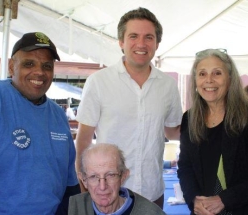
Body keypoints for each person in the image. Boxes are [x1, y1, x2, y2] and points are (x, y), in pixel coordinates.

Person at [0, 32, 80, 214]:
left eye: (47, 66)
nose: (39, 72)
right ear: (12, 67)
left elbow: (70, 186)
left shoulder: (57, 116)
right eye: (29, 63)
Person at [75, 7, 182, 208]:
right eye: (133, 36)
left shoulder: (168, 86)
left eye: (148, 37)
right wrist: (86, 194)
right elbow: (83, 142)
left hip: (152, 193)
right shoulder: (98, 82)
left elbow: (173, 130)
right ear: (121, 42)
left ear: (157, 44)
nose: (141, 44)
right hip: (107, 195)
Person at [177, 49, 248, 215]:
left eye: (217, 73)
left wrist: (224, 200)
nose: (209, 80)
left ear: (230, 78)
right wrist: (194, 199)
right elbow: (185, 167)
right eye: (202, 74)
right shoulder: (189, 118)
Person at [69, 143, 166, 215]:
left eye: (110, 175)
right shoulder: (72, 208)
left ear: (123, 176)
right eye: (93, 177)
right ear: (84, 180)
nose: (102, 187)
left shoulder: (151, 213)